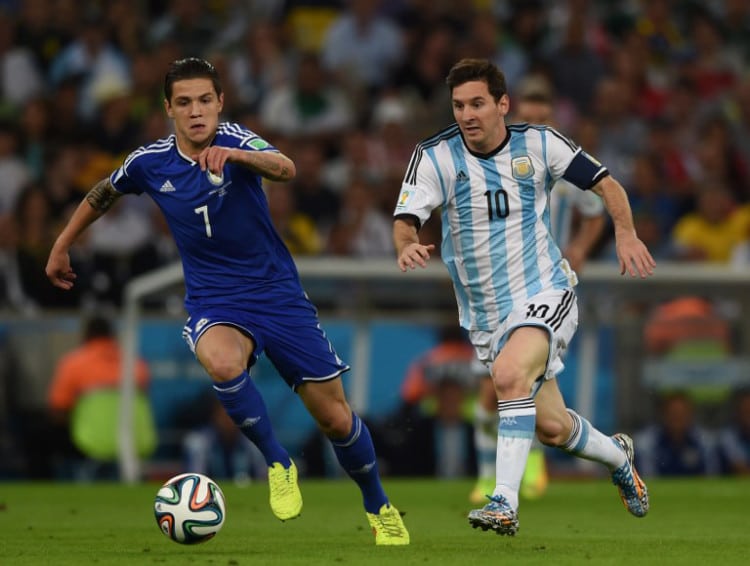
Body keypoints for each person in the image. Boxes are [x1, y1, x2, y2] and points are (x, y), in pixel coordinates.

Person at [46, 57, 409, 545]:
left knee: (335, 417)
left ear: (220, 103)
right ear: (168, 109)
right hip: (215, 300)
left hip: (278, 296)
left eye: (204, 101)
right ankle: (279, 463)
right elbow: (104, 193)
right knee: (220, 362)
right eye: (184, 103)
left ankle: (377, 503)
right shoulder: (149, 161)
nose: (196, 112)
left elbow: (286, 167)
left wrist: (239, 158)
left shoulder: (237, 139)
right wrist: (62, 243)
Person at [393, 58, 654, 536]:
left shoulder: (540, 142)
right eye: (458, 106)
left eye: (477, 103)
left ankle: (502, 501)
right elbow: (406, 218)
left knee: (509, 378)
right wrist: (407, 244)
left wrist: (626, 233)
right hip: (486, 316)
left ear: (502, 104)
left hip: (546, 290)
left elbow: (605, 183)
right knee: (552, 427)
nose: (467, 114)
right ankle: (619, 456)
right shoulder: (435, 156)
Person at [469, 74, 607, 504]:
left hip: (543, 286)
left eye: (543, 110)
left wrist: (581, 246)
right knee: (494, 388)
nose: (537, 117)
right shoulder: (490, 159)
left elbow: (595, 209)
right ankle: (488, 473)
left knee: (520, 379)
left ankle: (526, 469)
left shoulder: (560, 159)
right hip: (495, 293)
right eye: (530, 109)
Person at [47, 315, 152, 479]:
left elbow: (58, 409)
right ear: (112, 335)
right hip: (134, 441)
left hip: (89, 442)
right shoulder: (136, 364)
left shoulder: (74, 363)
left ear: (86, 335)